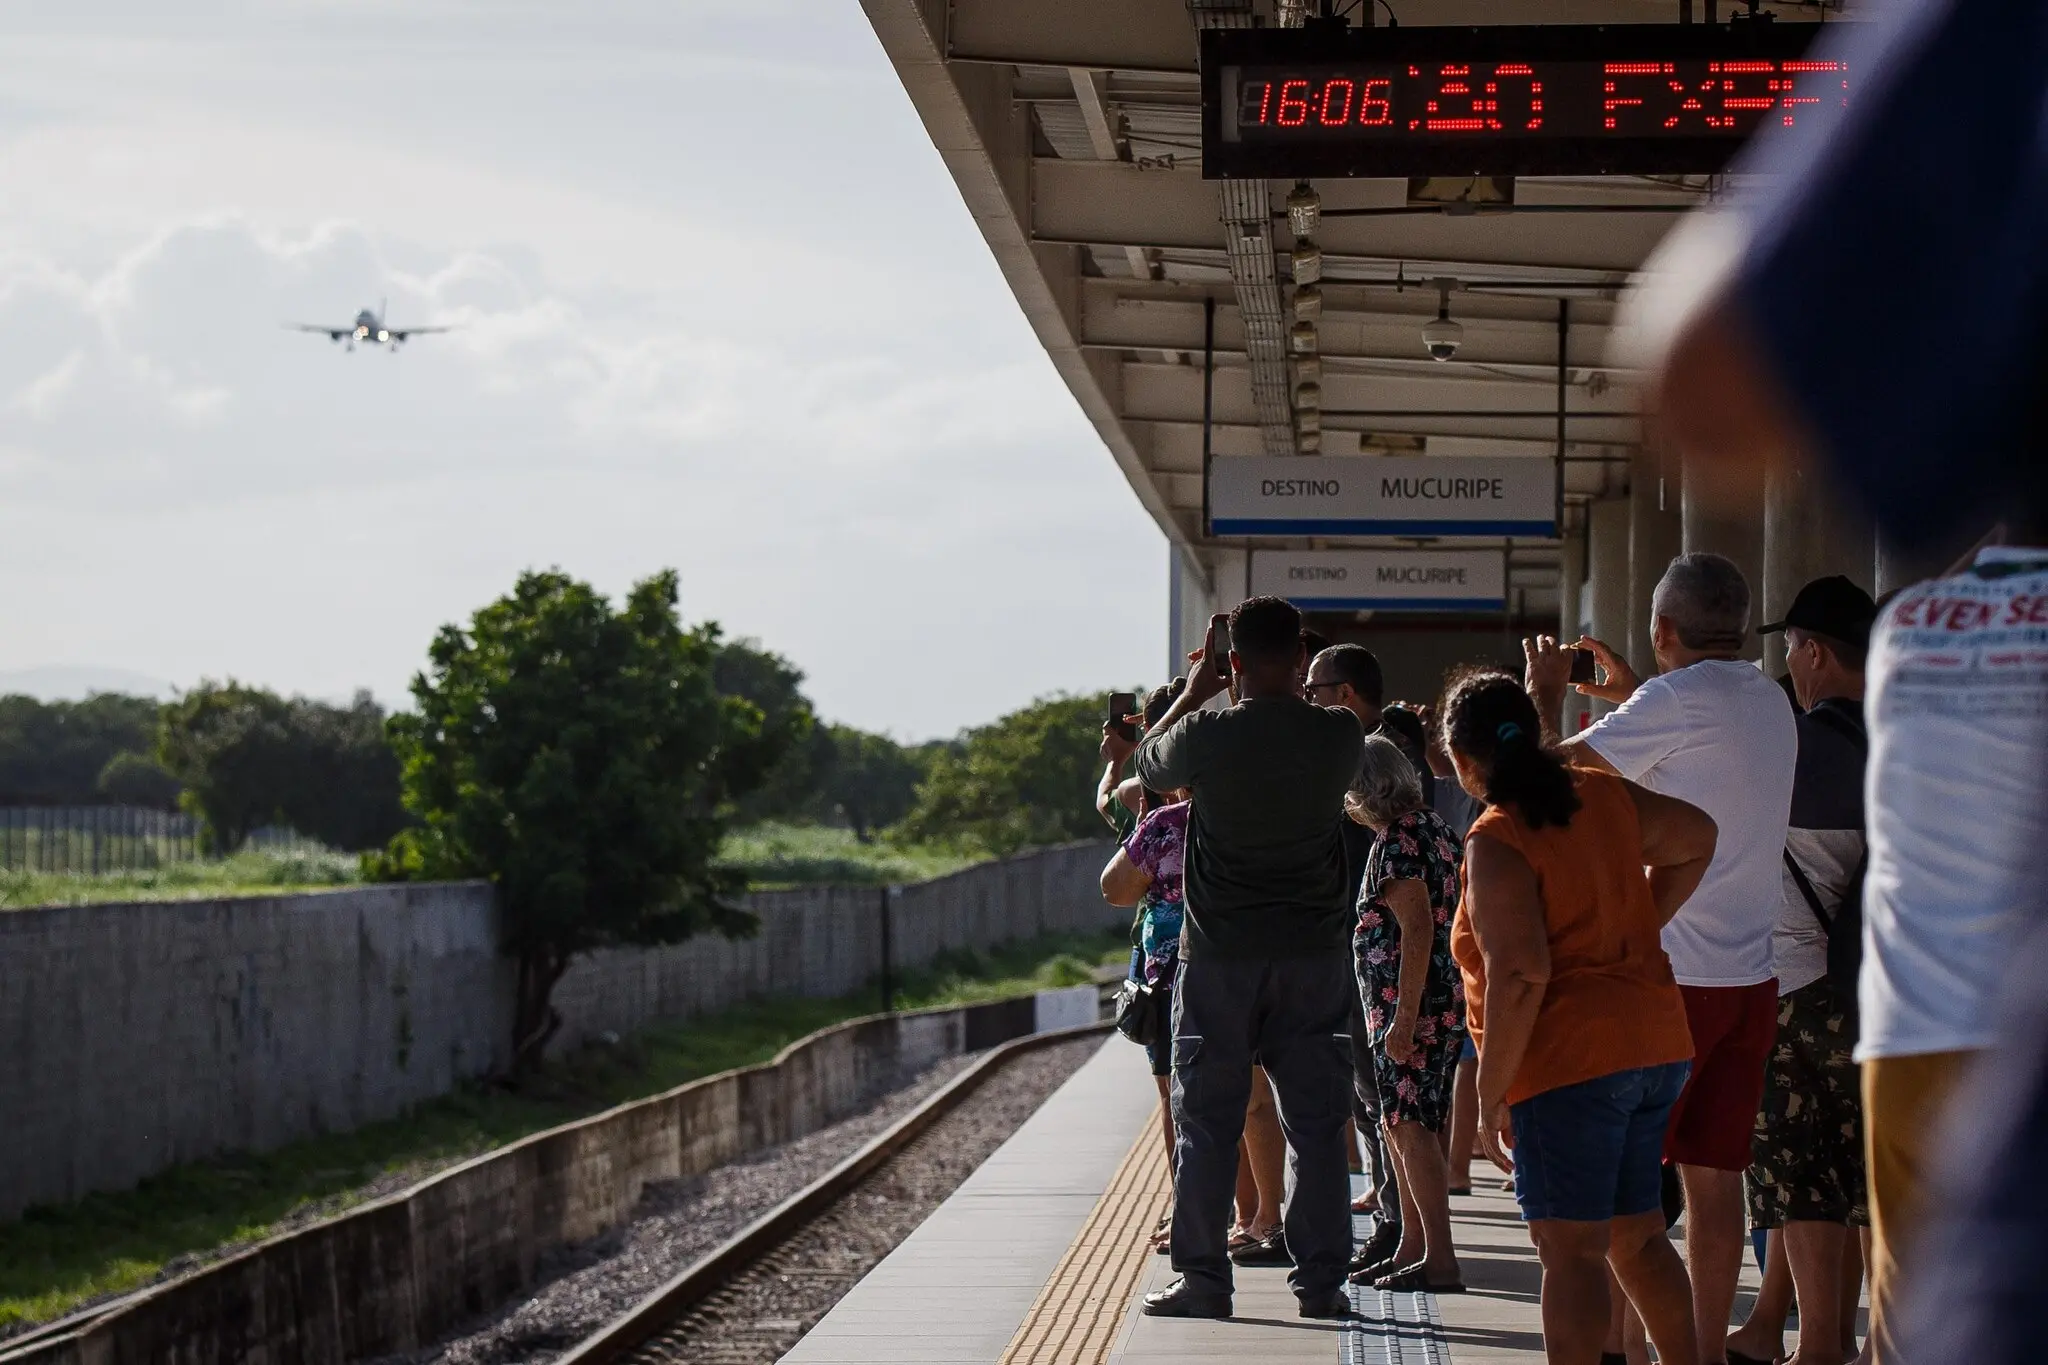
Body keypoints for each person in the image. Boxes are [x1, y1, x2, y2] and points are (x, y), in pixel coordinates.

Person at [1526, 552, 1797, 1365]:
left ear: (1663, 628)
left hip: (1665, 984)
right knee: (1717, 1185)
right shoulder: (1771, 702)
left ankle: (1621, 1352)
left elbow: (1543, 780)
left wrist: (1545, 695)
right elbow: (1701, 746)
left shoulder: (1670, 701)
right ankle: (1703, 1352)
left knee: (1624, 1197)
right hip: (1750, 981)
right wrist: (1637, 693)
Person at [1446, 669, 1716, 1365]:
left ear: (1462, 763)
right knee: (1637, 1234)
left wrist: (1488, 1089)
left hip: (1571, 1061)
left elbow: (1521, 972)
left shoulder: (1497, 838)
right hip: (1654, 1039)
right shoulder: (1601, 794)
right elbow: (1697, 835)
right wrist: (1636, 928)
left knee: (1570, 1252)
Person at [1134, 596, 1365, 1321]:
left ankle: (1204, 1280)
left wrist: (1198, 689)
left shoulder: (1206, 733)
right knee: (1319, 1126)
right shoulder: (1338, 735)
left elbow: (1145, 762)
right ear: (1300, 660)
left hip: (1220, 961)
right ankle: (1322, 1284)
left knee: (1207, 1122)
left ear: (1234, 664)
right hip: (1313, 960)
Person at [1722, 577, 1875, 1365]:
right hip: (1885, 988)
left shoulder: (1796, 743)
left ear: (1814, 651)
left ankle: (1820, 1347)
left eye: (1793, 649)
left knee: (1805, 1176)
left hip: (1802, 985)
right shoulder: (1904, 736)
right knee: (1863, 1175)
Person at [1344, 734, 1467, 1292]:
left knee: (1411, 1127)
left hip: (1410, 1010)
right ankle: (1415, 1245)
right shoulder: (1436, 830)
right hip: (1433, 1002)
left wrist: (1401, 1018)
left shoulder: (1398, 841)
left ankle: (1438, 1256)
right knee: (1405, 1123)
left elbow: (1417, 928)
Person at [1302, 643, 1408, 1251]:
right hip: (1360, 942)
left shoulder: (1377, 753)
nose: (1309, 702)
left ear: (1344, 694)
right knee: (1368, 1095)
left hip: (1381, 952)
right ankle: (1393, 1213)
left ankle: (1400, 1224)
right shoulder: (1360, 748)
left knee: (1382, 1092)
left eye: (1314, 691)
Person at [1099, 772, 1191, 1250]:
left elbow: (1113, 888)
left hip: (1170, 977)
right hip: (1247, 968)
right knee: (1250, 1099)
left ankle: (1193, 1215)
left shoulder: (1164, 822)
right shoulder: (1257, 815)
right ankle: (1256, 1214)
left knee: (1177, 1097)